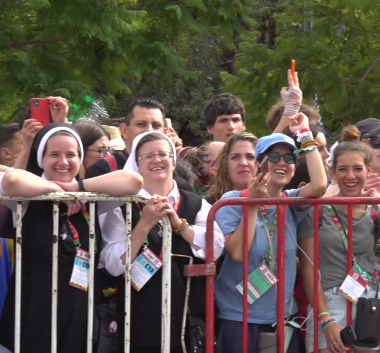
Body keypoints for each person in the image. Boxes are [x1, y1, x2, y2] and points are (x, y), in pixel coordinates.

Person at [0, 123, 142, 352]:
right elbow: (12, 180)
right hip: (34, 310)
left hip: (79, 310)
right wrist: (57, 191)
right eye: (54, 154)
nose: (63, 162)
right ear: (41, 158)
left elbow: (134, 181)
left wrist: (76, 187)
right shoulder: (27, 199)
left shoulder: (88, 194)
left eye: (71, 155)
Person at [297, 126, 380, 352]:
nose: (350, 176)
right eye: (343, 169)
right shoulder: (316, 212)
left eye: (357, 169)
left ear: (368, 170)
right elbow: (309, 270)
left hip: (368, 302)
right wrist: (325, 319)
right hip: (329, 305)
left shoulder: (374, 212)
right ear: (333, 172)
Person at [100, 131, 224, 352]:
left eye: (163, 154)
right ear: (136, 166)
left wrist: (179, 225)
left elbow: (215, 247)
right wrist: (144, 224)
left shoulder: (196, 203)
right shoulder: (121, 207)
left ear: (173, 162)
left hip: (189, 325)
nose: (156, 160)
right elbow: (112, 264)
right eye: (147, 156)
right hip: (139, 325)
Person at [214, 113, 328, 353]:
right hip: (239, 317)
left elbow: (319, 185)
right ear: (259, 163)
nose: (282, 162)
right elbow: (237, 253)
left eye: (289, 157)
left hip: (284, 318)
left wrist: (305, 134)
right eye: (273, 156)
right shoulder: (232, 201)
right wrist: (253, 204)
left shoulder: (291, 202)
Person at [85, 98, 192, 191]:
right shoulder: (103, 170)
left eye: (156, 125)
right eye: (141, 124)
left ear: (164, 133)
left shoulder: (173, 171)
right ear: (124, 130)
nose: (149, 130)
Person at [205, 132, 259, 204]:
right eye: (235, 157)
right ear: (225, 164)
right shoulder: (208, 205)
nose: (243, 163)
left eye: (250, 157)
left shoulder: (274, 200)